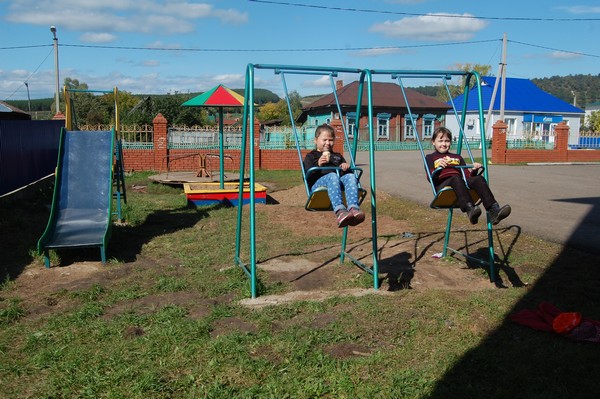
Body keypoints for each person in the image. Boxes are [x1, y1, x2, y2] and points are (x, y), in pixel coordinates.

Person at [425, 126, 511, 225]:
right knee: (455, 178)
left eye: (447, 141)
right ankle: (470, 209)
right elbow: (430, 176)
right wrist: (438, 168)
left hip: (459, 183)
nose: (444, 144)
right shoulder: (431, 157)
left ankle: (493, 210)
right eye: (440, 141)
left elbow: (467, 176)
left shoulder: (457, 157)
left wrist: (474, 171)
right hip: (442, 185)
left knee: (478, 178)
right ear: (433, 142)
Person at [303, 124, 365, 228]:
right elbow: (307, 176)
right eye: (324, 140)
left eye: (331, 140)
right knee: (332, 176)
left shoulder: (337, 157)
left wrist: (346, 167)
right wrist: (318, 164)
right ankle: (340, 211)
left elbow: (345, 177)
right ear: (316, 140)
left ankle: (353, 208)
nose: (328, 143)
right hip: (318, 186)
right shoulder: (311, 156)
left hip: (337, 185)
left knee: (350, 177)